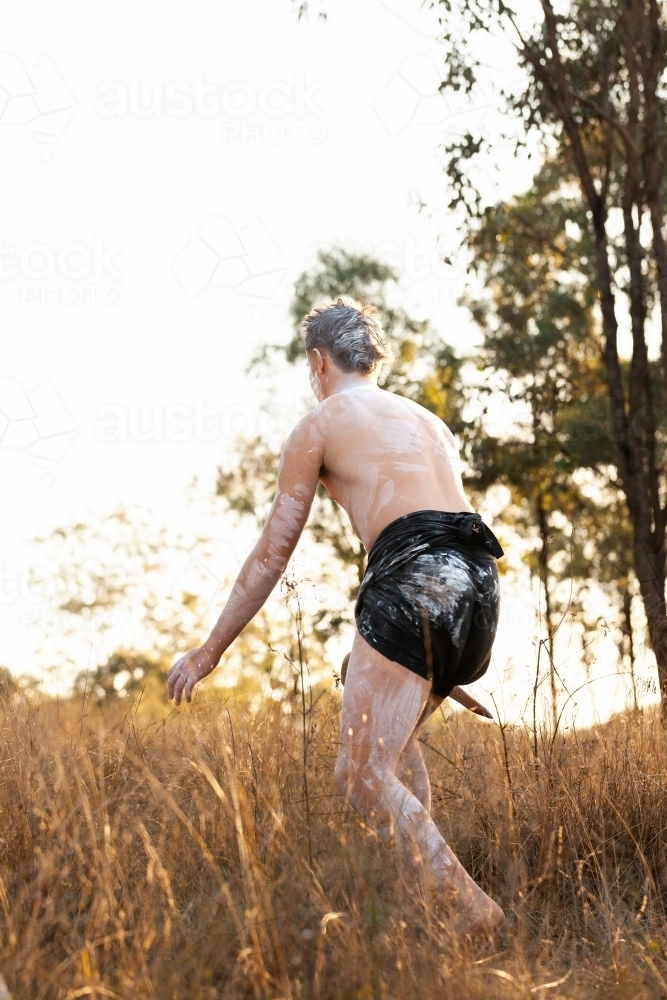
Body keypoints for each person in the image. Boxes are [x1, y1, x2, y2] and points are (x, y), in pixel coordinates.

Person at [168, 297, 505, 938]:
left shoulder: (320, 424)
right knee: (393, 757)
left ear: (318, 362)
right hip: (481, 583)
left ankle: (471, 913)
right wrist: (439, 653)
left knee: (357, 775)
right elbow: (448, 536)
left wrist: (207, 652)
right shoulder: (429, 422)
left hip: (414, 578)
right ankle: (422, 921)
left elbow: (272, 553)